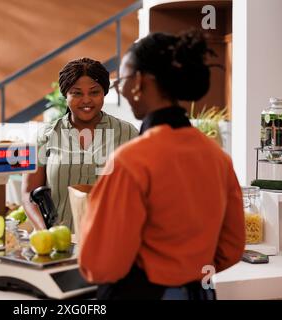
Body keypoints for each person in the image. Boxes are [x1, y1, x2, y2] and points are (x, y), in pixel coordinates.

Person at [78, 31, 245, 300]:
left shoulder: (130, 161)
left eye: (122, 79)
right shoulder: (217, 157)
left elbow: (101, 264)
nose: (120, 87)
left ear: (140, 81)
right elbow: (232, 247)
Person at [22, 57, 138, 231]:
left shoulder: (128, 134)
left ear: (104, 93)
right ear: (65, 95)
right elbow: (28, 193)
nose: (86, 100)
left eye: (94, 92)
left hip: (113, 241)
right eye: (77, 93)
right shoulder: (44, 137)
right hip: (60, 244)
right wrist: (45, 233)